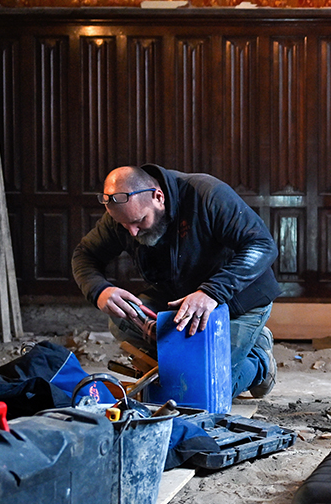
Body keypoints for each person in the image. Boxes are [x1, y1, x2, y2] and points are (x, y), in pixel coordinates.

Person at [72, 164, 279, 400]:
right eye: (124, 225)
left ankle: (259, 359)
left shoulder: (207, 195)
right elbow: (85, 254)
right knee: (122, 317)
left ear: (158, 197)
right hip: (179, 298)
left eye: (140, 221)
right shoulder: (125, 215)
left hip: (236, 299)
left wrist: (211, 293)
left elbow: (262, 245)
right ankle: (177, 364)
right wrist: (99, 290)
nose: (132, 232)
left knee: (206, 390)